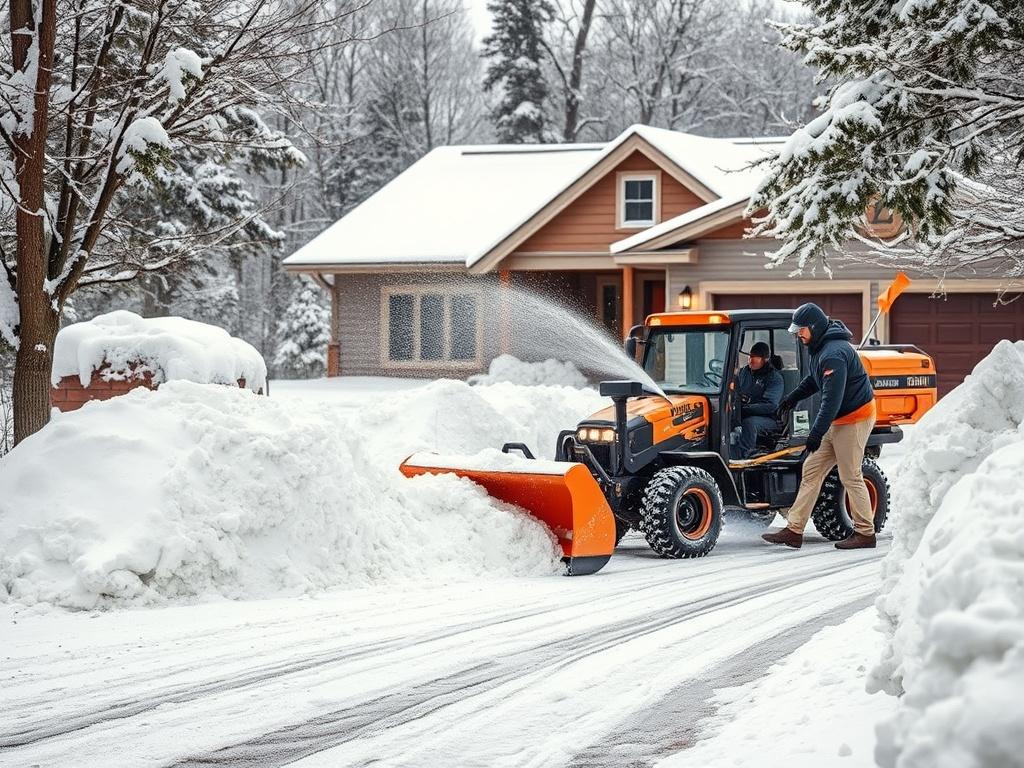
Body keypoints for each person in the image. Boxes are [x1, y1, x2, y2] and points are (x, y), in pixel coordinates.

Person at [762, 303, 877, 550]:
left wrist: (815, 433)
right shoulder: (819, 348)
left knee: (850, 475)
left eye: (801, 330)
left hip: (855, 418)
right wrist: (792, 398)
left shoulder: (833, 354)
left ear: (813, 327)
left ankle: (865, 533)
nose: (797, 335)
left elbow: (831, 401)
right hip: (838, 418)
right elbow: (814, 380)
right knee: (812, 469)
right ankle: (794, 530)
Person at [736, 341, 783, 458]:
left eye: (755, 357)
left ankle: (745, 455)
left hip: (769, 418)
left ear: (765, 359)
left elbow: (771, 405)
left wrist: (746, 408)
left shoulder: (774, 378)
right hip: (744, 412)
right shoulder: (744, 372)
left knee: (749, 423)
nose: (751, 360)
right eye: (750, 356)